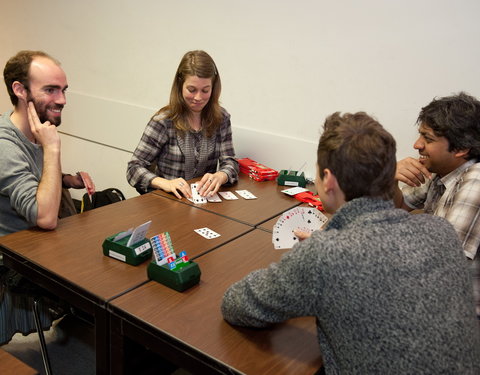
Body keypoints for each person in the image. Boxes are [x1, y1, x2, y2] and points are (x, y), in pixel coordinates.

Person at [221, 112, 480, 374]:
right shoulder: (441, 231)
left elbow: (236, 304)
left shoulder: (326, 254)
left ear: (328, 180)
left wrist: (318, 253)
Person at [0, 50, 90, 345]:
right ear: (20, 90)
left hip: (44, 246)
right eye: (50, 90)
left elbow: (33, 180)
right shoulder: (6, 144)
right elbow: (45, 217)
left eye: (63, 90)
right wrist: (52, 149)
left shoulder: (35, 130)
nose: (62, 99)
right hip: (16, 262)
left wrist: (66, 181)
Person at [394, 92, 480, 318]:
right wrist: (389, 178)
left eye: (428, 139)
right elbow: (396, 206)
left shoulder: (476, 181)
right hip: (436, 299)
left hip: (462, 317)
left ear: (461, 149)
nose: (416, 145)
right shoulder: (441, 172)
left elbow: (441, 261)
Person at [126, 50, 239, 198]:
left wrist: (221, 175)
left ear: (214, 88)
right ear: (180, 86)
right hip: (168, 203)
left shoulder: (221, 118)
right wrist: (165, 183)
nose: (198, 97)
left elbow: (230, 162)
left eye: (205, 90)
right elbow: (133, 168)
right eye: (191, 90)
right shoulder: (163, 121)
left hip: (203, 204)